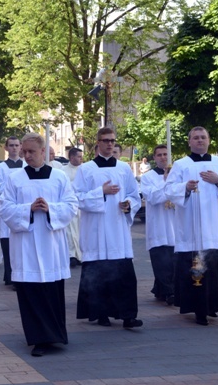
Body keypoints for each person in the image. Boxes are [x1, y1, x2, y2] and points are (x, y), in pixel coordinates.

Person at [0, 133, 78, 357]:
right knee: (31, 291)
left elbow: (71, 205)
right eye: (24, 151)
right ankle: (38, 338)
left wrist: (50, 208)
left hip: (51, 244)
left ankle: (56, 335)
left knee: (52, 289)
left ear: (43, 151)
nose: (27, 155)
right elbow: (5, 209)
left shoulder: (59, 177)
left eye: (31, 151)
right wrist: (28, 210)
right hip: (26, 245)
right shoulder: (15, 178)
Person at [164, 126, 218, 326]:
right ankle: (200, 310)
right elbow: (170, 190)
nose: (199, 140)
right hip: (193, 230)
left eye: (203, 137)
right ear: (189, 142)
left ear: (209, 140)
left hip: (217, 229)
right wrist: (185, 188)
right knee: (197, 271)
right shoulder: (181, 165)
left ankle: (212, 305)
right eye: (195, 138)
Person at [74, 127, 143, 329]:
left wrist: (129, 204)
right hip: (95, 229)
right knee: (98, 273)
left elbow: (134, 193)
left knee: (124, 275)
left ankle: (128, 316)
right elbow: (77, 198)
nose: (110, 144)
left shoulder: (123, 168)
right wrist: (101, 192)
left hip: (118, 229)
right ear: (98, 143)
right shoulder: (86, 169)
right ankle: (100, 313)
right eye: (105, 140)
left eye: (112, 140)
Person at [140, 145, 176, 305]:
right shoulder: (148, 177)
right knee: (162, 262)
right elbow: (153, 197)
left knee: (174, 262)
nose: (163, 157)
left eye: (166, 154)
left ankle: (161, 290)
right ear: (154, 158)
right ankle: (169, 292)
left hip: (175, 225)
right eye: (159, 155)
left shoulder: (178, 174)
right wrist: (166, 182)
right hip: (159, 225)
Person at [0, 137, 26, 286]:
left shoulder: (26, 165)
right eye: (11, 145)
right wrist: (15, 185)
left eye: (17, 145)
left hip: (24, 208)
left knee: (22, 245)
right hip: (7, 209)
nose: (14, 148)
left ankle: (21, 276)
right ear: (6, 148)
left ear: (21, 147)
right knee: (8, 245)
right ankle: (10, 276)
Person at [62, 147, 83, 267]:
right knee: (70, 232)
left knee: (80, 230)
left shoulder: (84, 169)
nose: (81, 159)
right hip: (69, 205)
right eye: (79, 156)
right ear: (71, 157)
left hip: (81, 205)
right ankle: (71, 255)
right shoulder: (63, 170)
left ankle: (80, 255)